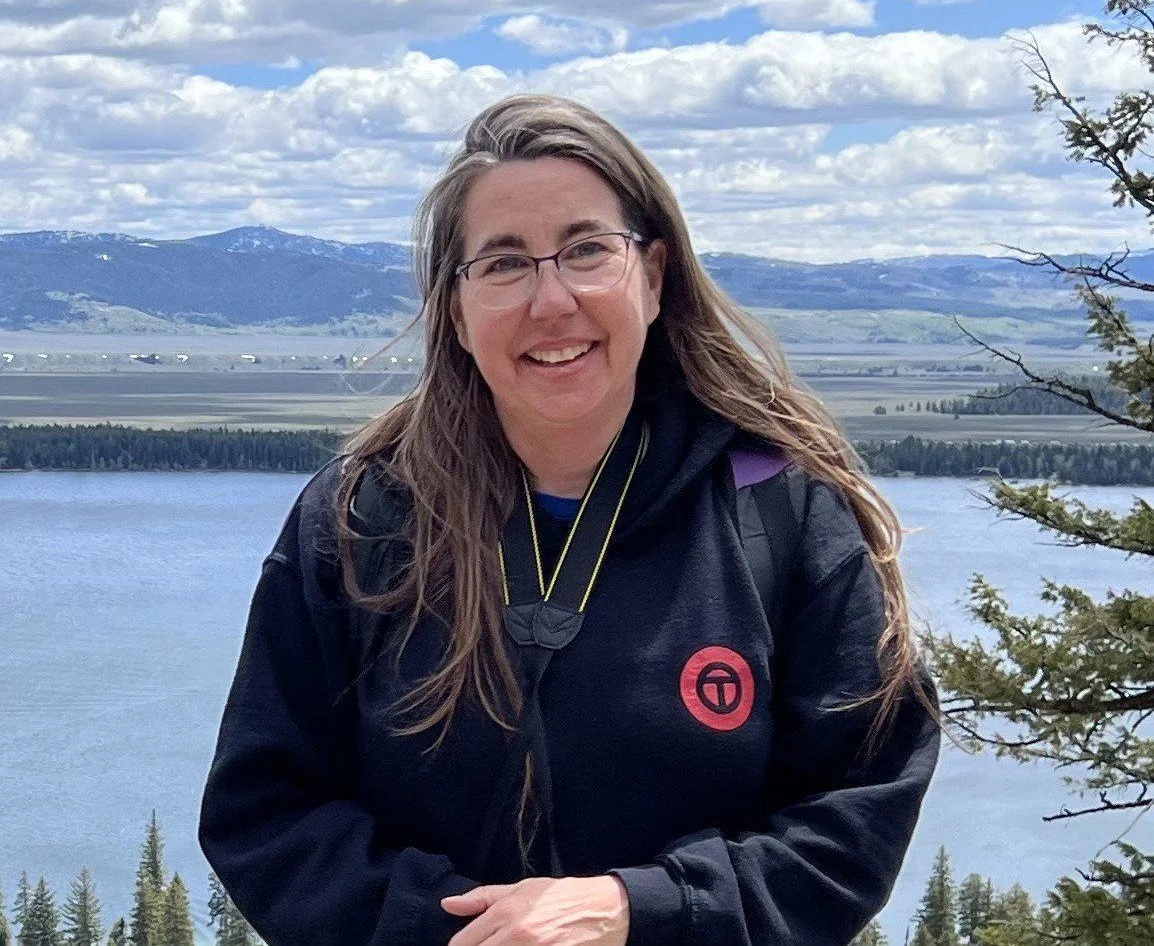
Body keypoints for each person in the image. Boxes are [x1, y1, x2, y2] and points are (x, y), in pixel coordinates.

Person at [198, 93, 941, 946]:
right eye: (506, 264)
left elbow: (859, 813)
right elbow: (262, 810)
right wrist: (455, 933)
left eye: (588, 249)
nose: (552, 301)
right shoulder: (363, 519)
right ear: (457, 309)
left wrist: (641, 911)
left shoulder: (782, 510)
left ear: (654, 276)